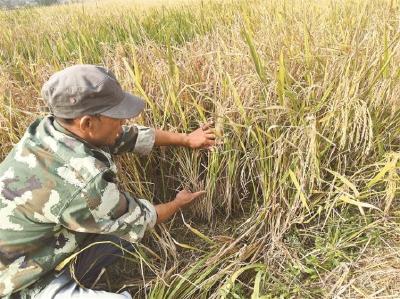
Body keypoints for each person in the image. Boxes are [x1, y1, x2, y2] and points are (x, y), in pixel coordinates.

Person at [0, 64, 216, 298]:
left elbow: (127, 136)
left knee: (118, 235)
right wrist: (178, 203)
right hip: (16, 280)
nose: (124, 122)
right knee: (126, 237)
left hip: (37, 242)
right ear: (87, 123)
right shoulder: (84, 185)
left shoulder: (50, 129)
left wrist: (186, 139)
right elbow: (139, 219)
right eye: (117, 117)